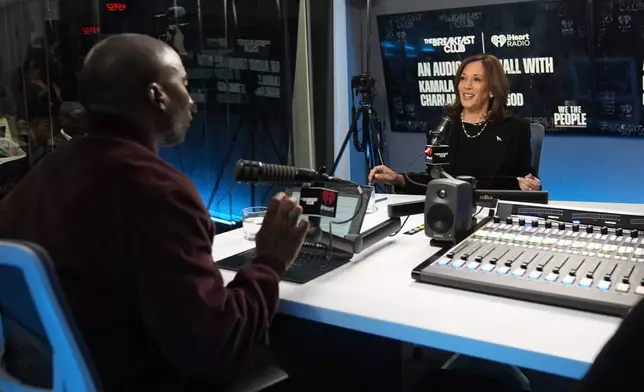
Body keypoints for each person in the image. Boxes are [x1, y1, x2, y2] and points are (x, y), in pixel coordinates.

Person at [0, 33, 310, 391]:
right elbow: (212, 345)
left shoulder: (39, 178)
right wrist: (270, 261)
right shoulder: (158, 192)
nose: (192, 101)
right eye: (184, 84)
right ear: (157, 96)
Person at [370, 54, 541, 193]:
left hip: (495, 212)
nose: (466, 86)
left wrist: (530, 184)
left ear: (491, 90)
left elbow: (523, 181)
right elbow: (434, 180)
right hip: (449, 211)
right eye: (463, 79)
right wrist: (399, 179)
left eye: (476, 80)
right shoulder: (440, 127)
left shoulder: (515, 128)